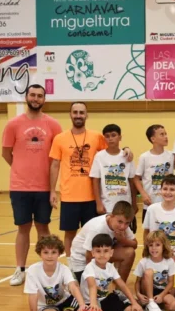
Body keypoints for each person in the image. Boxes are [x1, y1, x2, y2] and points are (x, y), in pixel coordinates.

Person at [50, 101, 132, 256]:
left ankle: (94, 264)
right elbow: (54, 165)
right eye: (75, 112)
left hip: (92, 197)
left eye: (81, 112)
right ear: (70, 115)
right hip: (69, 195)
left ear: (86, 115)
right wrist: (52, 191)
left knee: (94, 234)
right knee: (70, 233)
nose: (78, 115)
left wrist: (126, 149)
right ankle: (72, 263)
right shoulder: (59, 138)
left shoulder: (97, 137)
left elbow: (112, 150)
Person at [2, 84, 62, 286]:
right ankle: (20, 269)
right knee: (23, 228)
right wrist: (20, 168)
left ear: (44, 99)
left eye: (39, 96)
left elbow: (57, 157)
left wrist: (52, 187)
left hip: (44, 187)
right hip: (20, 187)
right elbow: (6, 153)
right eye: (33, 95)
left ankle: (48, 270)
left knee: (43, 227)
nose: (36, 98)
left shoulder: (53, 125)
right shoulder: (13, 124)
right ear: (26, 97)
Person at [143, 174, 175, 295]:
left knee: (172, 294)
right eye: (165, 189)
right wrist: (148, 252)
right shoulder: (152, 209)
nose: (168, 192)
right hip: (155, 256)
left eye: (172, 189)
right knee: (147, 291)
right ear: (160, 190)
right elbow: (146, 233)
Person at [24, 235, 86, 311]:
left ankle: (76, 308)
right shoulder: (33, 270)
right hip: (45, 306)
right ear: (40, 253)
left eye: (53, 252)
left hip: (65, 301)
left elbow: (73, 286)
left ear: (59, 253)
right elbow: (33, 296)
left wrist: (82, 305)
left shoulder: (64, 269)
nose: (49, 256)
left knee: (78, 287)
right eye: (46, 252)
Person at [68, 201, 137, 283]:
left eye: (127, 223)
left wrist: (122, 240)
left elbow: (135, 244)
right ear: (111, 216)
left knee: (129, 253)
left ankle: (118, 289)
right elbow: (88, 255)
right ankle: (74, 276)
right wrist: (94, 278)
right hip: (82, 261)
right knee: (93, 289)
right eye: (120, 222)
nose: (123, 226)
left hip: (101, 255)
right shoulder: (97, 228)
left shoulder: (122, 225)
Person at [81, 234, 143, 311]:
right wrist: (93, 304)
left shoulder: (110, 267)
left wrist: (134, 302)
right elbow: (92, 286)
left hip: (104, 300)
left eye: (106, 251)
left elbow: (122, 285)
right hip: (89, 301)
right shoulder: (90, 267)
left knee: (131, 309)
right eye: (98, 251)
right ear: (92, 253)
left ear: (111, 252)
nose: (102, 255)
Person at [90, 125, 137, 230]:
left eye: (113, 135)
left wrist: (134, 203)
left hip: (125, 203)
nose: (110, 138)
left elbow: (132, 181)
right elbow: (95, 180)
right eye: (107, 136)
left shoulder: (127, 156)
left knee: (124, 232)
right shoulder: (99, 156)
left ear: (120, 137)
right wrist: (98, 203)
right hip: (107, 204)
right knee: (107, 233)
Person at [134, 124, 173, 224]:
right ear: (153, 139)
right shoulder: (144, 157)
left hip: (167, 203)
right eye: (162, 134)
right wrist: (143, 194)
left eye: (166, 134)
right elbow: (136, 178)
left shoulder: (171, 156)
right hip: (150, 203)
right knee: (149, 231)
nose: (166, 137)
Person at [133, 231, 175, 311]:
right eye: (151, 245)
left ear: (163, 246)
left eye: (157, 245)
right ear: (147, 246)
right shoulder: (144, 262)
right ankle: (150, 301)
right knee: (149, 272)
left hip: (161, 291)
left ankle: (151, 305)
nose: (154, 248)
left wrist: (162, 295)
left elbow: (171, 283)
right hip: (146, 291)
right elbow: (137, 282)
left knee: (174, 305)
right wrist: (138, 294)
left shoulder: (169, 261)